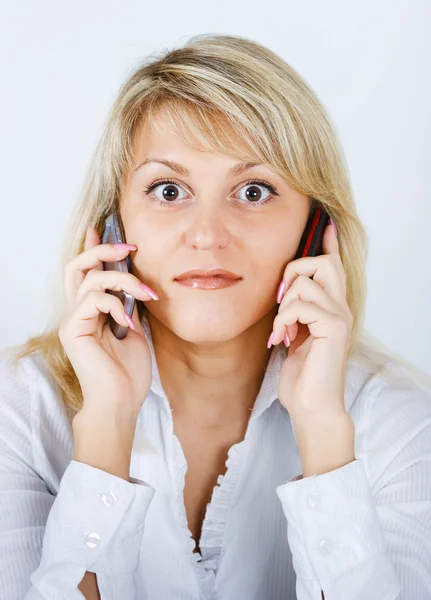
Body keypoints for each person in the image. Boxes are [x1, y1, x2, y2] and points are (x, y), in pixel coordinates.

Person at [0, 33, 430, 600]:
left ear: (314, 231)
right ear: (114, 225)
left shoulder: (397, 425)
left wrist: (325, 435)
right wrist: (104, 430)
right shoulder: (22, 412)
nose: (206, 236)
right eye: (168, 189)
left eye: (253, 191)